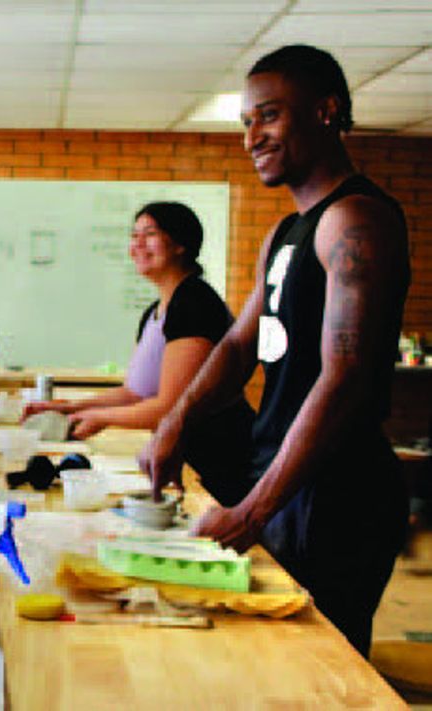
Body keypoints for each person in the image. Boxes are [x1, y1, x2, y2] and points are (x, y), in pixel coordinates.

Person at [139, 45, 410, 656]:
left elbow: (346, 380)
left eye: (268, 116)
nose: (252, 137)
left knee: (319, 678)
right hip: (285, 481)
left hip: (338, 494)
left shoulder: (356, 220)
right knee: (266, 660)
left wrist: (253, 511)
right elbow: (240, 346)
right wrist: (175, 424)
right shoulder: (287, 232)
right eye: (245, 123)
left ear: (326, 111)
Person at [25, 202, 255, 504]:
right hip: (186, 458)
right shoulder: (156, 311)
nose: (137, 245)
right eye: (134, 236)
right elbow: (134, 393)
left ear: (181, 245)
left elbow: (169, 407)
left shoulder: (194, 303)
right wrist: (69, 408)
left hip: (221, 460)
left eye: (150, 234)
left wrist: (99, 416)